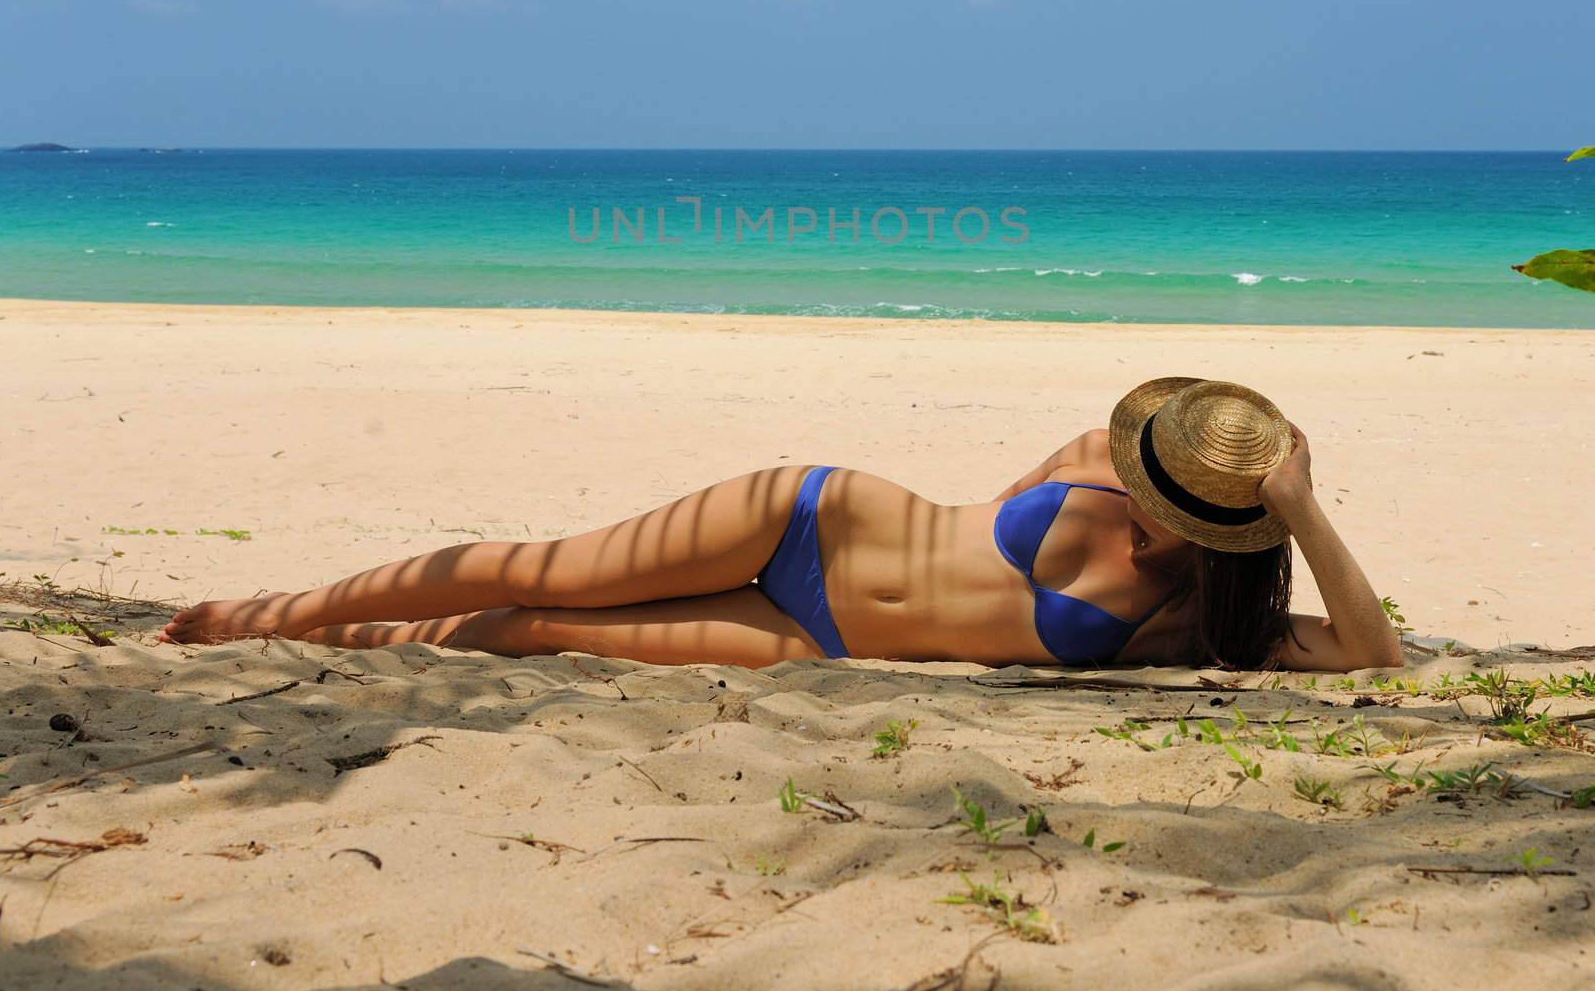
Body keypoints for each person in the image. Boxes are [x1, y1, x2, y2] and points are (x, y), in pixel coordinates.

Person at [159, 377, 1405, 671]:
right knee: (542, 569)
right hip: (805, 522)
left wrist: (1304, 508)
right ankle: (272, 615)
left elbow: (1373, 656)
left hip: (816, 646)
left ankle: (342, 644)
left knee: (535, 628)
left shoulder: (1199, 615)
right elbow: (982, 516)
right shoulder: (1090, 458)